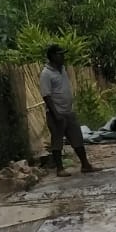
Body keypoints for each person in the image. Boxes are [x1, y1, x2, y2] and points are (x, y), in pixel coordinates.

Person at [39, 45, 95, 176]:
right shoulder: (46, 74)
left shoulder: (62, 69)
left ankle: (85, 165)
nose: (63, 57)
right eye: (60, 54)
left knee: (77, 138)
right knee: (57, 141)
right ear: (52, 56)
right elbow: (46, 95)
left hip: (68, 111)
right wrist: (56, 114)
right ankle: (60, 169)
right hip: (56, 113)